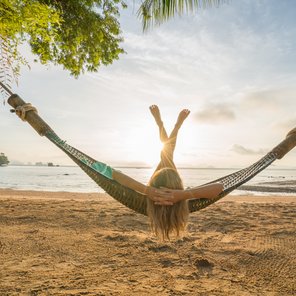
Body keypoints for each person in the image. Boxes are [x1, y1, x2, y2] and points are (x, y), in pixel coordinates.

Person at [112, 105, 223, 239]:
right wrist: (182, 194)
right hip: (171, 185)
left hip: (158, 185)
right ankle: (169, 125)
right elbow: (219, 187)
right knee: (167, 155)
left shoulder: (145, 201)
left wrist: (148, 191)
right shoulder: (183, 202)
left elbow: (115, 174)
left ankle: (166, 125)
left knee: (167, 155)